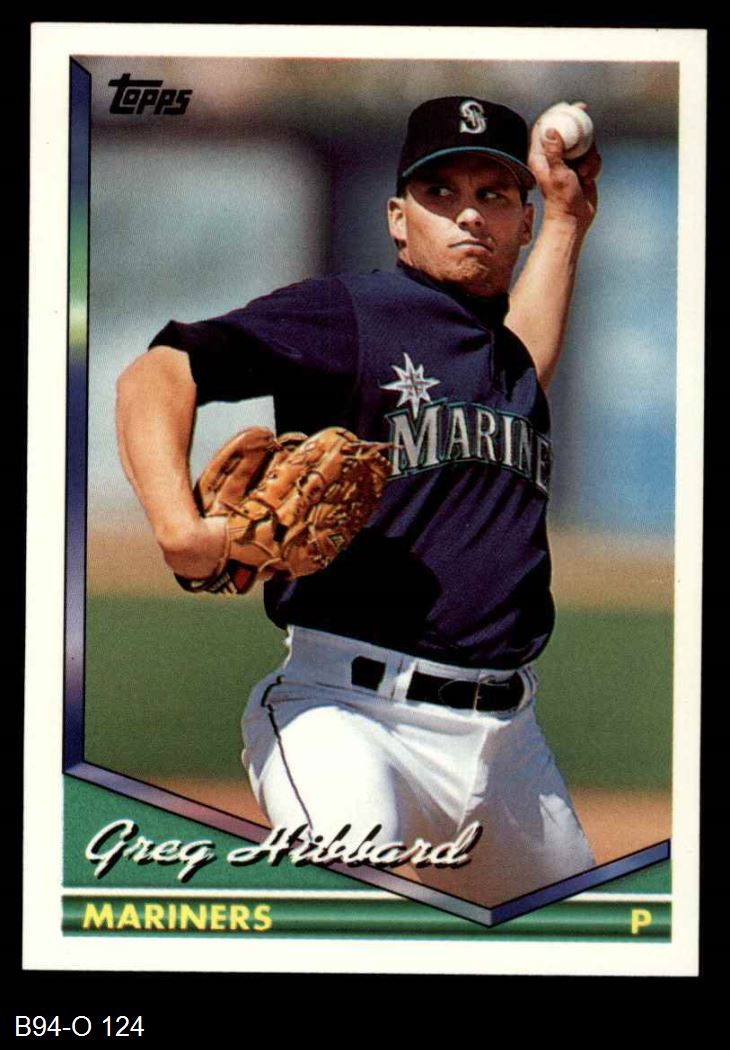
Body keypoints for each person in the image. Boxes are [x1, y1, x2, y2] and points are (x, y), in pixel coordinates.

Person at [116, 96, 601, 905]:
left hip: (509, 744)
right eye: (439, 192)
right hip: (347, 714)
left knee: (585, 946)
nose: (468, 214)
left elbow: (526, 361)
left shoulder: (504, 355)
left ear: (521, 221)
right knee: (344, 911)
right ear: (398, 219)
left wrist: (568, 221)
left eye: (492, 194)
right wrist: (177, 526)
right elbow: (158, 371)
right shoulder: (352, 312)